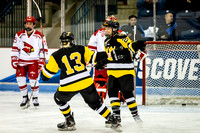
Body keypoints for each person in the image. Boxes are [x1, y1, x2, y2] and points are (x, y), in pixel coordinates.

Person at [40, 32, 121, 131]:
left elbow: (45, 76)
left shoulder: (55, 55)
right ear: (72, 40)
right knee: (96, 104)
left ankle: (69, 121)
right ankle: (113, 120)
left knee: (59, 99)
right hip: (85, 81)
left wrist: (43, 69)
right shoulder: (81, 48)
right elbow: (95, 57)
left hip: (68, 84)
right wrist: (109, 54)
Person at [95, 17, 145, 128]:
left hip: (125, 72)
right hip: (112, 73)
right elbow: (112, 57)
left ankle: (136, 117)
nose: (106, 30)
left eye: (108, 28)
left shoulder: (122, 37)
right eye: (105, 28)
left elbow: (130, 47)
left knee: (127, 95)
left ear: (115, 29)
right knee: (112, 94)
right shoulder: (106, 41)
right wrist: (102, 62)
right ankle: (117, 118)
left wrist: (136, 46)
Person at [11, 16, 48, 109]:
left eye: (30, 23)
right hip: (21, 61)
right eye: (27, 23)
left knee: (33, 80)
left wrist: (42, 61)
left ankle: (35, 98)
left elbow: (43, 50)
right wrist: (14, 59)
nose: (28, 25)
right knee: (20, 79)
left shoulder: (40, 35)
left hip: (34, 61)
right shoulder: (19, 35)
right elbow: (15, 47)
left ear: (34, 25)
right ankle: (24, 97)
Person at [88, 15, 126, 103]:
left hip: (101, 59)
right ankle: (120, 96)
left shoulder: (97, 33)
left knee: (100, 80)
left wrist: (91, 60)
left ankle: (98, 97)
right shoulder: (122, 33)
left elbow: (91, 48)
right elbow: (126, 48)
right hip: (116, 60)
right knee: (118, 79)